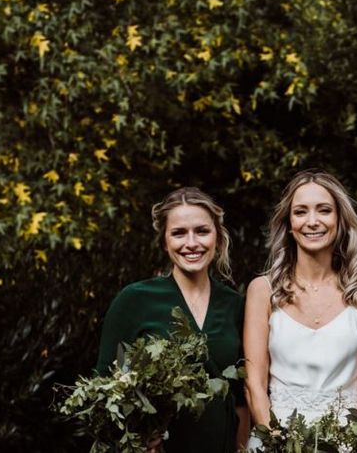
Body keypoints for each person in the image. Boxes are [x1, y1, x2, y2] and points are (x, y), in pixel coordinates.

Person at [96, 187, 249, 452]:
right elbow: (104, 390)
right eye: (179, 233)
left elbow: (241, 399)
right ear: (165, 242)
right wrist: (138, 436)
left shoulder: (234, 304)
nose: (192, 243)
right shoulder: (134, 300)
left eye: (202, 231)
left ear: (217, 237)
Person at [243, 170, 357, 437]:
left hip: (348, 438)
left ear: (339, 219)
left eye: (324, 210)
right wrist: (275, 438)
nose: (312, 221)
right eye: (300, 212)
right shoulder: (262, 291)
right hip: (279, 438)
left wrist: (356, 438)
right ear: (288, 223)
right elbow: (254, 382)